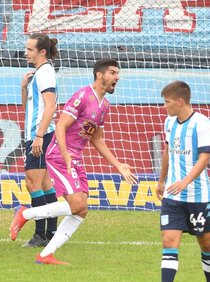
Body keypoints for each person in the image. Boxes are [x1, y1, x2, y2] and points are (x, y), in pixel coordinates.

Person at [10, 59, 138, 265]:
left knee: (82, 209)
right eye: (113, 73)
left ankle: (45, 255)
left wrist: (118, 165)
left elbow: (97, 138)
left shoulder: (104, 105)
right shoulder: (83, 96)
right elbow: (60, 126)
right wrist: (65, 154)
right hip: (60, 156)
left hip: (75, 157)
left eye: (117, 73)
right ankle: (26, 213)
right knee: (77, 203)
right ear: (99, 75)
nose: (117, 77)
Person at [142, 81, 210, 282]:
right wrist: (161, 180)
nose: (164, 107)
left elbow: (205, 157)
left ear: (180, 101)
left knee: (206, 244)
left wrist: (185, 181)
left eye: (166, 102)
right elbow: (167, 151)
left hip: (198, 197)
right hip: (173, 196)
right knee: (169, 240)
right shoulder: (169, 122)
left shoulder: (201, 123)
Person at [19, 33, 59, 247]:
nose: (26, 52)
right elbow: (29, 108)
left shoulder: (45, 73)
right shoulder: (38, 74)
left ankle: (40, 235)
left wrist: (39, 136)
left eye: (30, 49)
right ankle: (51, 232)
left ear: (41, 52)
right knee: (44, 184)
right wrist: (24, 87)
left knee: (33, 183)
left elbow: (51, 106)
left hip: (40, 134)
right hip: (37, 133)